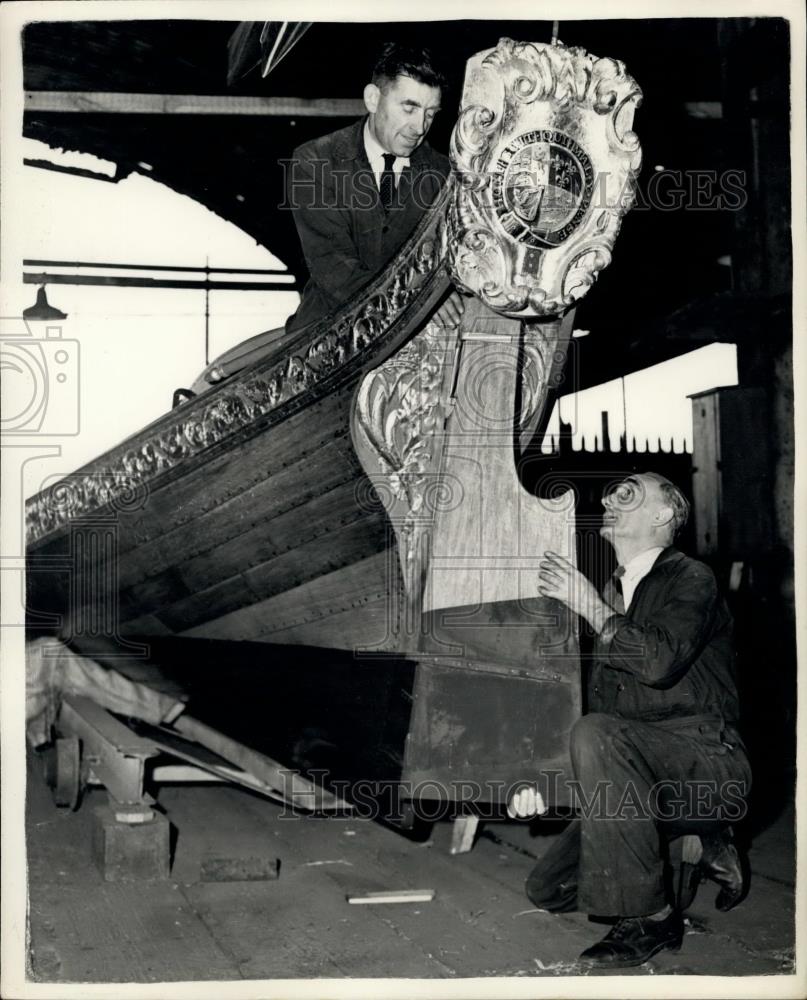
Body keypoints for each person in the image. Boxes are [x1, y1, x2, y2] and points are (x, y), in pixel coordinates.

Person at [509, 472, 751, 969]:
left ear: (663, 516)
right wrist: (541, 782)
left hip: (708, 762)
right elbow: (603, 720)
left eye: (629, 494)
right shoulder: (614, 590)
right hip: (644, 770)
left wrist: (590, 608)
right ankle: (695, 842)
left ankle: (651, 917)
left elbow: (659, 663)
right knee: (549, 889)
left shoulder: (691, 578)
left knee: (599, 736)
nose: (610, 501)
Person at [284, 42, 464, 334]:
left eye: (430, 114)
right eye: (409, 108)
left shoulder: (444, 173)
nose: (419, 127)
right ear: (372, 99)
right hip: (327, 336)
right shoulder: (314, 161)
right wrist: (418, 300)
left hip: (414, 337)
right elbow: (335, 267)